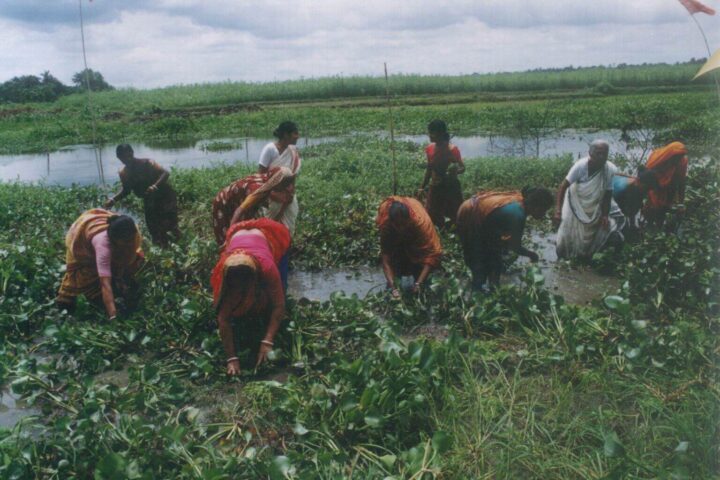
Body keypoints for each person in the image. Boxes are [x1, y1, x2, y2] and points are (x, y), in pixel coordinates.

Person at [211, 218, 290, 376]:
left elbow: (279, 305)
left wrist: (267, 340)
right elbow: (223, 318)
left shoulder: (267, 268)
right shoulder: (225, 273)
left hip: (264, 237)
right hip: (236, 237)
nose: (240, 287)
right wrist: (231, 358)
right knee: (232, 302)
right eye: (237, 286)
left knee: (278, 290)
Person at [456, 187, 554, 290]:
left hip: (482, 216)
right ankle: (477, 291)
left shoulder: (522, 203)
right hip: (469, 214)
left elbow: (501, 236)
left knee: (495, 261)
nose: (544, 215)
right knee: (479, 265)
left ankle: (493, 289)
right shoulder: (517, 215)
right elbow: (515, 246)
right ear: (535, 206)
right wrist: (531, 255)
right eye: (544, 210)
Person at [56, 209, 144, 319]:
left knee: (137, 259)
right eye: (127, 241)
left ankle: (119, 281)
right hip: (83, 241)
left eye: (132, 239)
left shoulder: (133, 232)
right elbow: (105, 284)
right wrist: (113, 314)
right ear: (115, 240)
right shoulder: (103, 246)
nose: (131, 243)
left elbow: (132, 248)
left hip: (112, 236)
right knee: (86, 280)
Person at [554, 140, 624, 259]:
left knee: (598, 230)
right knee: (568, 230)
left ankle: (587, 254)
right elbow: (563, 187)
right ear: (590, 153)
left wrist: (605, 215)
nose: (602, 157)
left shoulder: (609, 169)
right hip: (575, 203)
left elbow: (608, 194)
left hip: (595, 206)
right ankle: (564, 254)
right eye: (598, 153)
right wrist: (558, 211)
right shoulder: (580, 166)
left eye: (604, 154)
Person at [104, 144, 180, 247]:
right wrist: (113, 200)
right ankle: (161, 251)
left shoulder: (148, 163)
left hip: (165, 196)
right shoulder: (124, 173)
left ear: (132, 153)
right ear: (119, 158)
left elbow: (165, 173)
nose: (127, 159)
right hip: (149, 200)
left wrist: (154, 186)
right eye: (123, 157)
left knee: (170, 225)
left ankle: (179, 246)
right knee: (153, 229)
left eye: (128, 155)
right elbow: (126, 190)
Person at [376, 196, 442, 298]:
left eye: (403, 224)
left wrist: (418, 284)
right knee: (396, 265)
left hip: (415, 233)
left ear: (408, 219)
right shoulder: (387, 225)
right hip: (396, 236)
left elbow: (433, 254)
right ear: (392, 222)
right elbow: (386, 259)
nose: (401, 227)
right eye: (397, 224)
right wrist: (393, 288)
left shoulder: (421, 223)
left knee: (422, 274)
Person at [212, 167, 296, 245]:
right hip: (224, 202)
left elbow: (282, 199)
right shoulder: (257, 191)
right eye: (285, 186)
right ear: (277, 183)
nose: (288, 188)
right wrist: (230, 235)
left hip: (238, 201)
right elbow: (239, 211)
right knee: (228, 237)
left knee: (246, 229)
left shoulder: (269, 182)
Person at [257, 121, 302, 236]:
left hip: (288, 195)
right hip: (272, 196)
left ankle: (285, 249)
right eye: (295, 133)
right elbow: (261, 174)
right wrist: (267, 196)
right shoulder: (270, 149)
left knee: (289, 226)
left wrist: (291, 193)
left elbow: (293, 176)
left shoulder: (293, 151)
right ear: (286, 135)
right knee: (270, 227)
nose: (298, 136)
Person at [418, 120, 465, 227]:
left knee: (454, 215)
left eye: (432, 133)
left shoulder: (452, 149)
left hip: (451, 187)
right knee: (433, 216)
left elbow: (462, 168)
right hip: (435, 186)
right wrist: (422, 187)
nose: (430, 135)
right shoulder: (429, 149)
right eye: (429, 132)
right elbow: (429, 170)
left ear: (441, 134)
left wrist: (455, 171)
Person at [642, 141, 688, 226]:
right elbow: (647, 175)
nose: (678, 160)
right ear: (671, 154)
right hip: (655, 185)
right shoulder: (658, 157)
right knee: (652, 208)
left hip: (670, 188)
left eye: (680, 157)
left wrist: (681, 203)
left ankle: (660, 225)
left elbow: (682, 182)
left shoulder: (682, 161)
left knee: (663, 210)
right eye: (677, 157)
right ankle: (649, 225)